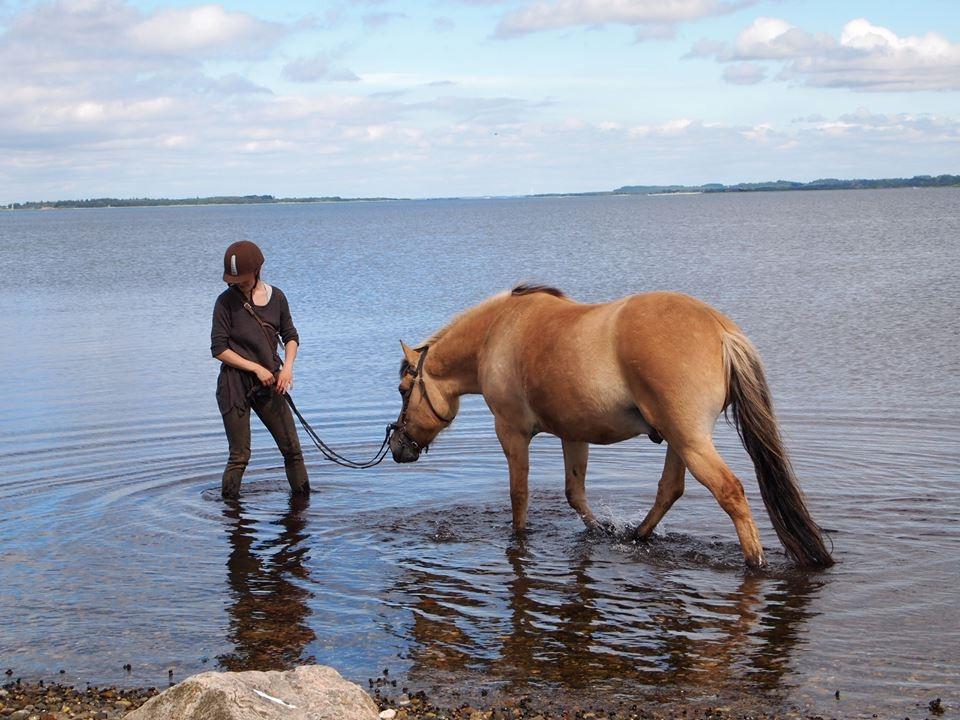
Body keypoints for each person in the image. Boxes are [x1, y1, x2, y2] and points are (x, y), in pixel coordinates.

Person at [210, 240, 310, 499]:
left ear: (257, 271)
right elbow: (219, 348)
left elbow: (290, 336)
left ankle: (303, 510)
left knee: (292, 451)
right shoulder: (224, 303)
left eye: (241, 278)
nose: (236, 283)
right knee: (240, 455)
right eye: (233, 280)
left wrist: (287, 368)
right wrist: (255, 367)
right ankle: (230, 513)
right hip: (234, 385)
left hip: (271, 383)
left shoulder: (277, 297)